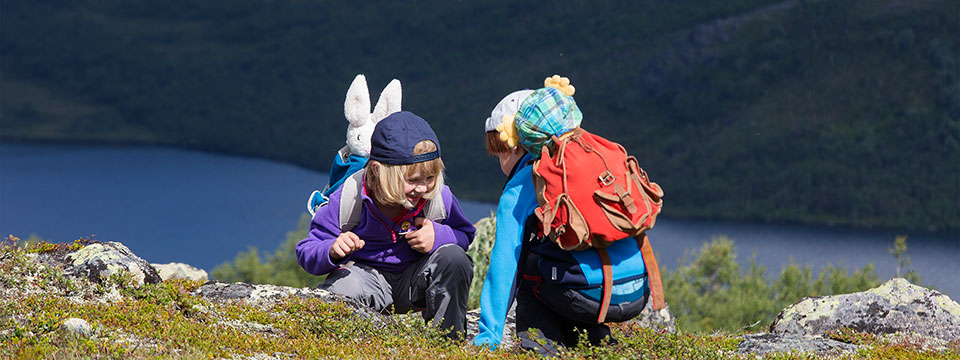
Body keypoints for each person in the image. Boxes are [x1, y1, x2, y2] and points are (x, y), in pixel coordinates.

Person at [473, 77, 653, 355]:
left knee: (530, 265)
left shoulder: (525, 183)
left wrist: (488, 337)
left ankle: (541, 346)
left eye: (499, 154)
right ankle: (597, 341)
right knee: (561, 252)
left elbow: (504, 264)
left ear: (516, 145)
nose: (500, 163)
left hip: (590, 296)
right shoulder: (589, 163)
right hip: (637, 291)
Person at [296, 111, 476, 338]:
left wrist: (438, 236)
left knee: (455, 259)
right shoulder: (349, 196)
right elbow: (307, 250)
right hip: (367, 280)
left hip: (417, 282)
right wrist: (332, 250)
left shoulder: (439, 197)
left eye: (429, 178)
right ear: (377, 171)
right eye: (411, 180)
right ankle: (366, 341)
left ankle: (447, 342)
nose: (422, 188)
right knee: (338, 291)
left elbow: (465, 235)